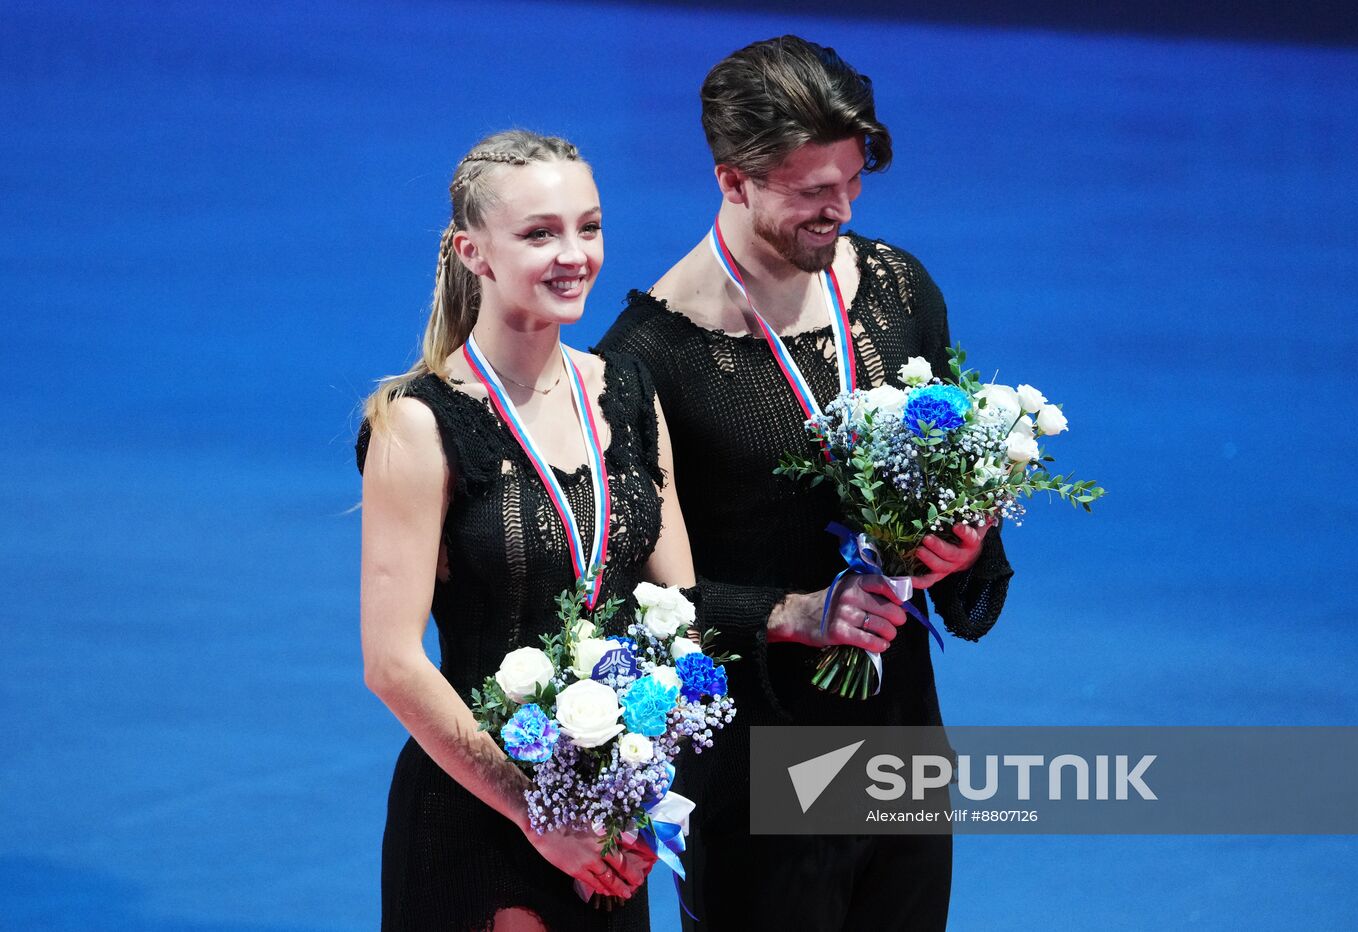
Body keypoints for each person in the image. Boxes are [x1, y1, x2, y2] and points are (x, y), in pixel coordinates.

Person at [596, 37, 1014, 931]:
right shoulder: (647, 359)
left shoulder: (898, 290)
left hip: (901, 742)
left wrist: (964, 546)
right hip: (758, 771)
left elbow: (967, 531)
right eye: (811, 192)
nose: (841, 210)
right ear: (733, 179)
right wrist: (792, 612)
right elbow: (634, 604)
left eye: (853, 183)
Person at [357, 129, 691, 931]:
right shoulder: (417, 424)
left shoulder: (628, 393)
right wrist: (535, 811)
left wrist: (636, 789)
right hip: (477, 818)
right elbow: (392, 664)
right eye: (540, 233)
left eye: (589, 226)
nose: (573, 253)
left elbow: (678, 610)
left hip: (605, 821)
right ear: (474, 252)